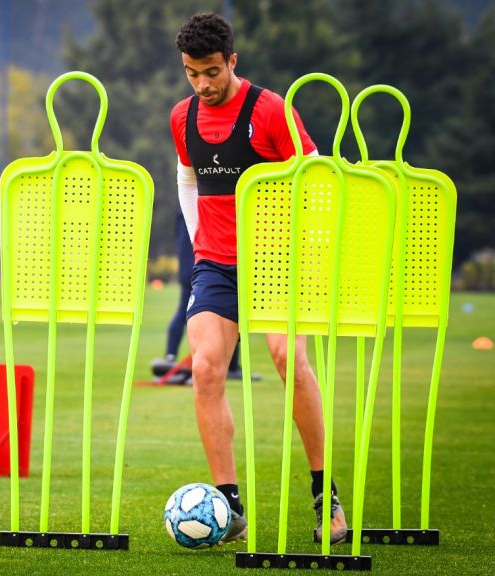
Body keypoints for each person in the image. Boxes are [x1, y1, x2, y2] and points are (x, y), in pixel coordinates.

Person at [170, 13, 347, 544]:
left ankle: (326, 498)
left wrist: (309, 253)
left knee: (288, 360)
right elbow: (186, 178)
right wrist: (202, 237)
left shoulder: (272, 111)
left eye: (212, 72)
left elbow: (317, 177)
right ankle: (228, 509)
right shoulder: (182, 117)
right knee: (204, 369)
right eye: (191, 73)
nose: (202, 84)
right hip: (217, 264)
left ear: (233, 62)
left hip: (277, 263)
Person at [151, 208, 246, 383]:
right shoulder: (199, 211)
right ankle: (175, 358)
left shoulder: (197, 210)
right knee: (224, 312)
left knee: (216, 313)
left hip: (198, 268)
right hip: (199, 269)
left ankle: (173, 357)